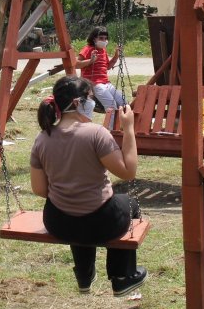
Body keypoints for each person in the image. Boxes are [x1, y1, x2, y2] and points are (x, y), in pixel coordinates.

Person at [29, 76, 147, 296]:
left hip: (58, 223)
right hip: (102, 223)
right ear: (77, 102)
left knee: (75, 211)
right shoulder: (95, 133)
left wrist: (69, 191)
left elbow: (39, 189)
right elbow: (128, 172)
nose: (93, 103)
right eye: (90, 98)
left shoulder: (42, 138)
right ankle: (122, 276)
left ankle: (84, 274)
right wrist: (129, 128)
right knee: (128, 203)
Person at [76, 26, 125, 114]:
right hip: (94, 83)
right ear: (94, 39)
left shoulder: (103, 51)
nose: (104, 40)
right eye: (101, 38)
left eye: (105, 38)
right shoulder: (88, 49)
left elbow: (107, 67)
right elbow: (76, 64)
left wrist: (116, 56)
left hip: (106, 83)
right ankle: (111, 123)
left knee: (123, 103)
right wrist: (91, 60)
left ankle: (121, 121)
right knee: (111, 106)